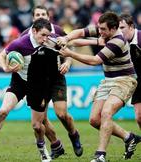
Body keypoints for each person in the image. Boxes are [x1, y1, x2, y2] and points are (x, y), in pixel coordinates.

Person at [58, 11, 141, 162]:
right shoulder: (104, 30)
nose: (100, 32)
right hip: (108, 80)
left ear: (113, 28)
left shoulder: (118, 41)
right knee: (94, 120)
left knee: (106, 112)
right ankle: (129, 137)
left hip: (125, 80)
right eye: (99, 28)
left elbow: (95, 61)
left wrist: (70, 53)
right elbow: (81, 32)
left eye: (103, 29)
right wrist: (66, 38)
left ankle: (100, 154)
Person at [0, 18, 52, 162]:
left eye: (48, 35)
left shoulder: (51, 43)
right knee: (3, 111)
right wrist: (5, 68)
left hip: (39, 86)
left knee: (37, 126)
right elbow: (1, 56)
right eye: (43, 35)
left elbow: (67, 50)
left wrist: (68, 62)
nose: (46, 39)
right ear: (34, 31)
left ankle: (42, 149)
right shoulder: (20, 43)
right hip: (19, 82)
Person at [21, 5, 82, 159]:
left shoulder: (57, 31)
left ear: (48, 17)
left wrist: (67, 62)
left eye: (43, 14)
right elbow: (17, 55)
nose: (40, 16)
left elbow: (69, 47)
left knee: (61, 114)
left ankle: (74, 134)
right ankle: (56, 145)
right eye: (37, 14)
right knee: (41, 120)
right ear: (33, 18)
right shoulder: (25, 35)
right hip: (37, 81)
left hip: (56, 77)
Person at [119, 13, 141, 129]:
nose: (120, 31)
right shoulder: (121, 43)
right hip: (138, 80)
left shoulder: (140, 38)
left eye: (122, 28)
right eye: (118, 28)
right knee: (139, 117)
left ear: (131, 27)